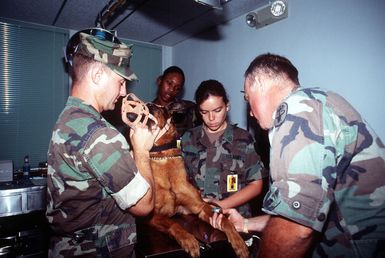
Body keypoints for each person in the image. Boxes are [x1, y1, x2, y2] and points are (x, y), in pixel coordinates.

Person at [210, 53, 385, 257]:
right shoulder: (317, 102)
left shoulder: (298, 110)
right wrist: (246, 223)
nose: (250, 112)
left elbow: (297, 229)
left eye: (248, 99)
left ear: (259, 82)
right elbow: (303, 213)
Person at [46, 28, 160, 257]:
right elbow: (145, 205)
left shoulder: (70, 118)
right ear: (97, 75)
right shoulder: (99, 134)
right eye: (120, 82)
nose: (123, 91)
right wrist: (141, 149)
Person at [181, 79, 267, 217]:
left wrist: (220, 206)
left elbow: (256, 185)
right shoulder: (188, 139)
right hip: (197, 218)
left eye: (217, 110)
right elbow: (180, 181)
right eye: (204, 112)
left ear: (227, 106)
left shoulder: (243, 139)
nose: (211, 117)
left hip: (235, 219)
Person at [152, 66, 201, 138]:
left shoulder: (188, 108)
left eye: (177, 88)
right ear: (159, 81)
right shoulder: (147, 112)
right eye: (169, 83)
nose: (171, 90)